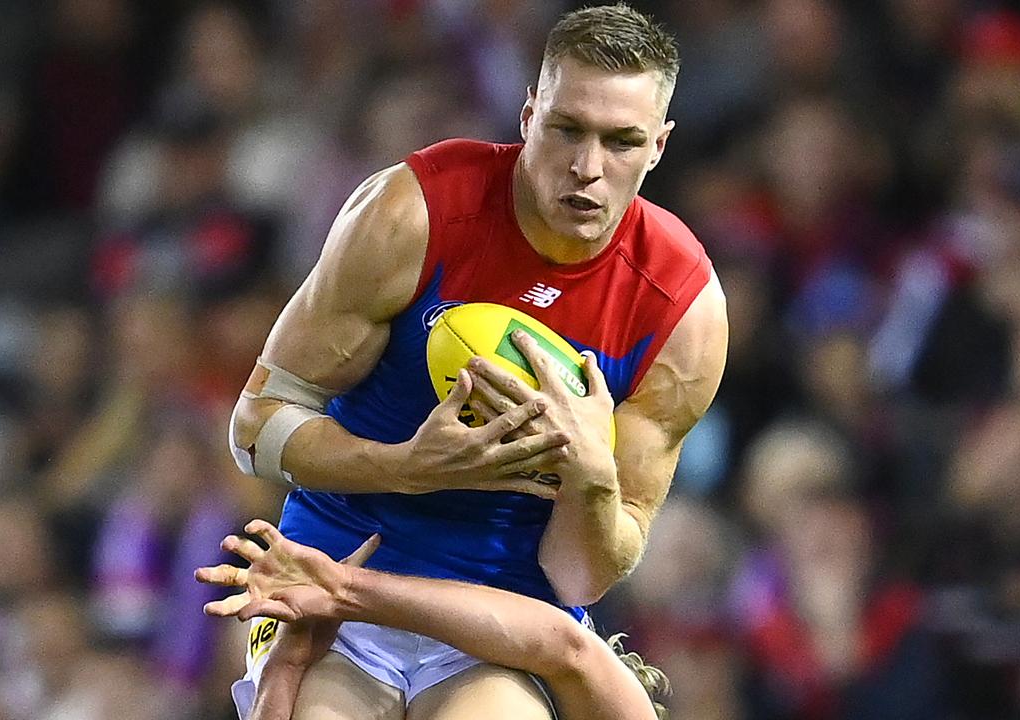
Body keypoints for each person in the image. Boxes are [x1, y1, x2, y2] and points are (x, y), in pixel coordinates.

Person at [227, 5, 727, 718]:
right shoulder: (415, 212)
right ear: (527, 114)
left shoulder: (682, 309)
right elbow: (253, 428)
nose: (588, 168)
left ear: (659, 147)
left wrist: (589, 476)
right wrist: (406, 467)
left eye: (621, 142)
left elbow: (580, 577)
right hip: (327, 583)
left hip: (497, 623)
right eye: (567, 129)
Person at [197, 519, 670, 720]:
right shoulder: (597, 686)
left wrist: (289, 663)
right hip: (491, 581)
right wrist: (346, 594)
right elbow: (560, 644)